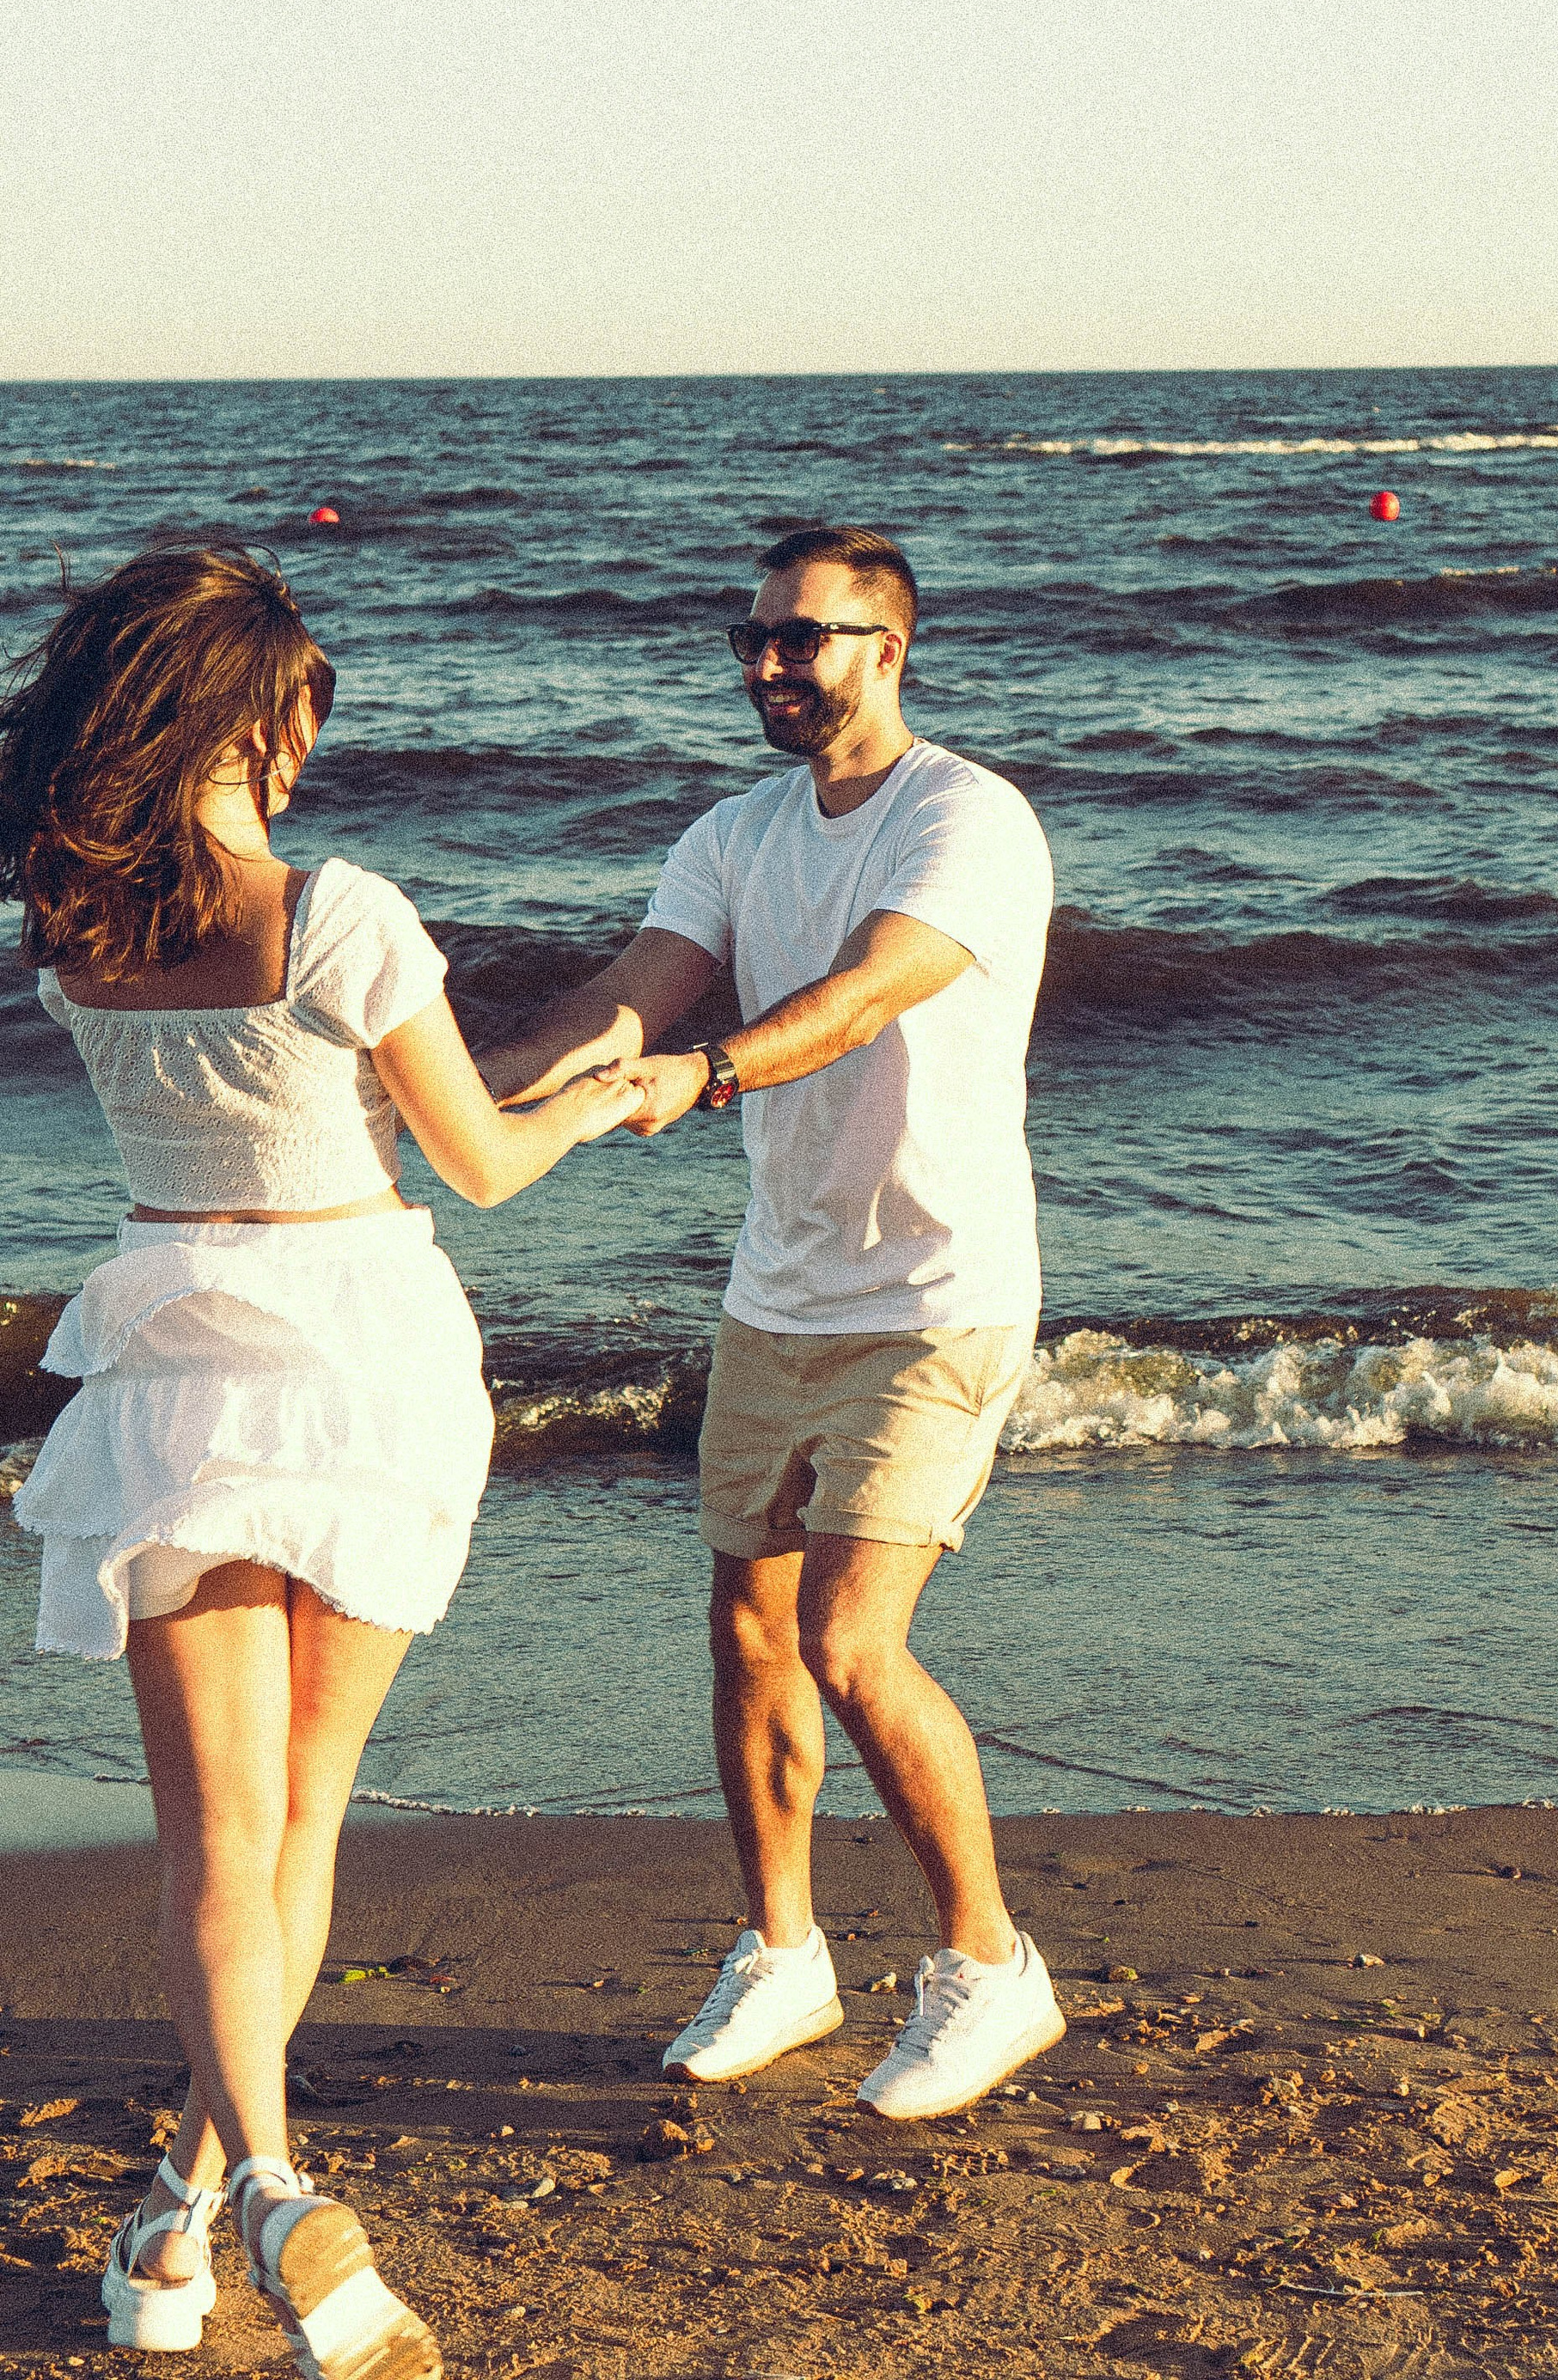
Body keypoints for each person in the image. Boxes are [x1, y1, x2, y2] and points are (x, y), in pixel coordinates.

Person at [2, 545, 641, 2377]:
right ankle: (265, 2192)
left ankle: (188, 2214)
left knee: (219, 1840)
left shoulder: (72, 926)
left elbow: (261, 1087)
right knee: (306, 1818)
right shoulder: (342, 909)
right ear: (251, 714)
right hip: (358, 1359)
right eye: (298, 711)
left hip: (173, 1356)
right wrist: (609, 1070)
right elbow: (483, 1164)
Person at [483, 523, 1063, 2118]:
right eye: (752, 639)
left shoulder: (969, 818)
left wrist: (710, 1074)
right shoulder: (737, 831)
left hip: (938, 1293)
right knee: (749, 1639)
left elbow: (877, 987)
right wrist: (459, 1091)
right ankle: (786, 1954)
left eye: (801, 639)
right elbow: (634, 989)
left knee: (851, 1643)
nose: (766, 666)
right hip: (778, 1289)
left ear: (889, 649)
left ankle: (990, 1970)